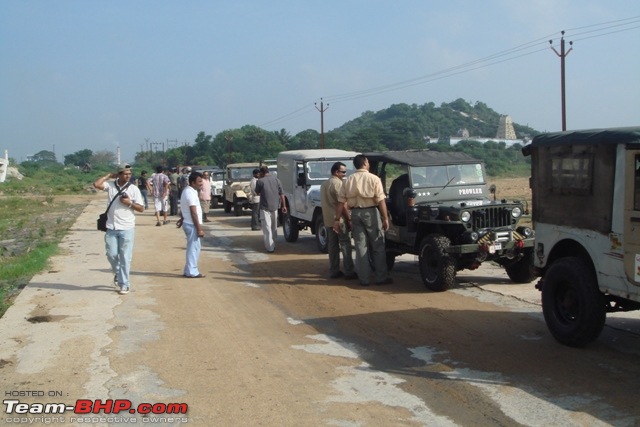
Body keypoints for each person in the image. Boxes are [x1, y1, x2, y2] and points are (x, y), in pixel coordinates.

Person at [334, 154, 392, 286]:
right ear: (365, 163)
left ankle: (364, 279)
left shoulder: (348, 180)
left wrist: (337, 219)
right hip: (371, 211)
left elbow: (340, 202)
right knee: (377, 245)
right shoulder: (374, 178)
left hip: (355, 213)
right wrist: (385, 218)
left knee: (360, 246)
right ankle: (381, 277)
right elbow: (381, 200)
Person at [93, 165, 144, 295]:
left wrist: (129, 203)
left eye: (130, 174)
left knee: (125, 257)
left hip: (127, 228)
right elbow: (96, 184)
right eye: (125, 174)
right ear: (119, 174)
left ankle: (124, 284)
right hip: (111, 227)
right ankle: (117, 273)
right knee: (111, 254)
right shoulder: (110, 186)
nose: (128, 176)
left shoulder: (134, 189)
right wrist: (109, 175)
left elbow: (141, 208)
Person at [320, 162, 356, 280]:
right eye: (343, 172)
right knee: (345, 244)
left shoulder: (324, 184)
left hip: (329, 219)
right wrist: (349, 219)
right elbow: (343, 205)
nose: (345, 174)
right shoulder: (338, 184)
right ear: (336, 172)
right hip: (339, 220)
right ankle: (349, 271)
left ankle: (334, 270)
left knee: (332, 245)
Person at [177, 171, 205, 278]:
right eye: (199, 181)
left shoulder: (187, 191)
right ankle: (192, 271)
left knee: (194, 248)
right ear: (193, 182)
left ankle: (189, 269)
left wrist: (182, 218)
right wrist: (199, 229)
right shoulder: (190, 193)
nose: (201, 183)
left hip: (188, 222)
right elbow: (193, 212)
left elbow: (184, 208)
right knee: (193, 249)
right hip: (192, 224)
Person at [255, 165, 287, 252]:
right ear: (268, 171)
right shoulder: (277, 180)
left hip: (265, 207)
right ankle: (273, 243)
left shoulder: (260, 181)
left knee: (267, 227)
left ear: (261, 173)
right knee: (274, 227)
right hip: (275, 207)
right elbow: (282, 194)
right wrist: (284, 206)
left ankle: (270, 247)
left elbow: (257, 192)